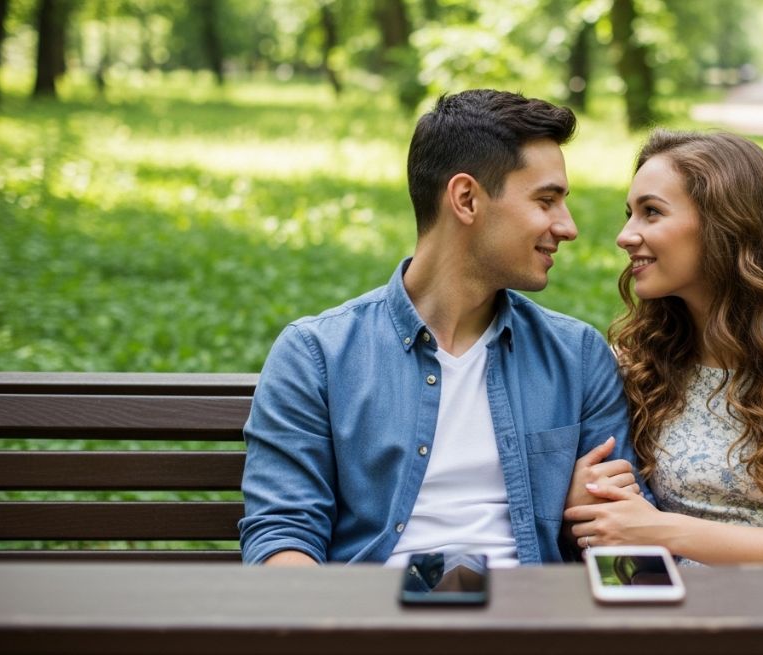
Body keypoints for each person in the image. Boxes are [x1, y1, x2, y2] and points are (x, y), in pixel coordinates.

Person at [239, 89, 646, 567]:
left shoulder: (577, 356)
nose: (568, 226)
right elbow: (282, 534)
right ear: (467, 199)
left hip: (534, 622)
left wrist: (582, 515)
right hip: (373, 618)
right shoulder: (317, 355)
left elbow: (624, 540)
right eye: (547, 200)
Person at [564, 130, 763, 565]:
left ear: (725, 225)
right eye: (629, 214)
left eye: (651, 213)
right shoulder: (638, 364)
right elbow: (613, 516)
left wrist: (663, 530)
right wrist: (584, 490)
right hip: (682, 607)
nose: (625, 235)